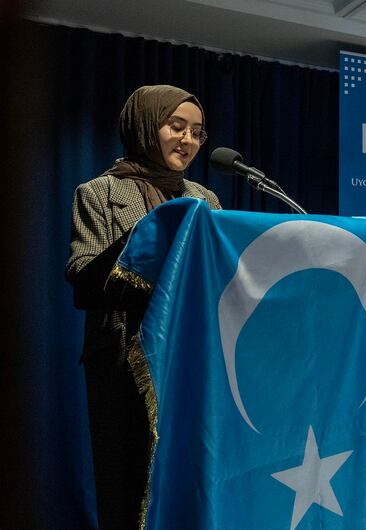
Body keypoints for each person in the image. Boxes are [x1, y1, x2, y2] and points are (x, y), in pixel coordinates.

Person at [65, 85, 221, 529]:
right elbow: (81, 274)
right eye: (176, 127)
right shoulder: (98, 193)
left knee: (190, 478)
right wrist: (148, 240)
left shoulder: (205, 200)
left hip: (192, 361)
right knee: (127, 485)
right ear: (145, 126)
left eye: (197, 132)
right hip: (123, 361)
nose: (188, 140)